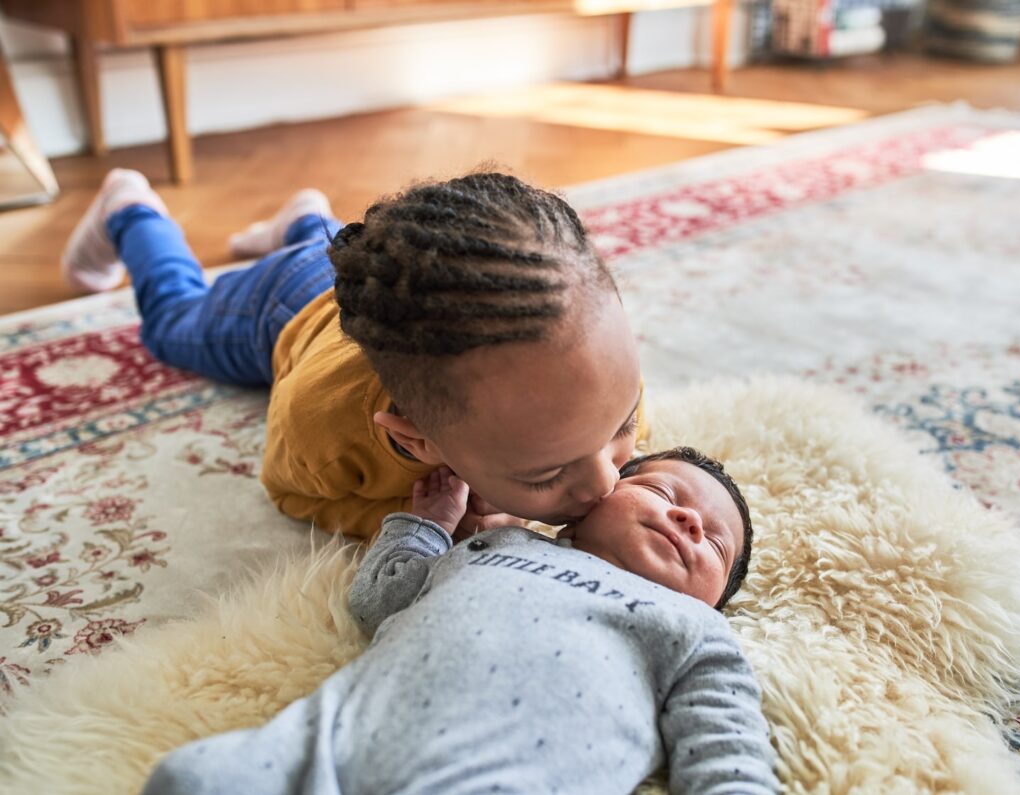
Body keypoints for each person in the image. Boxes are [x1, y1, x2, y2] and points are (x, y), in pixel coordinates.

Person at [141, 447, 779, 795]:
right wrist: (432, 525)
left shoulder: (695, 632)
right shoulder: (499, 546)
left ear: (713, 598)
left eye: (715, 544)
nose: (689, 522)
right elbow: (380, 602)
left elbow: (725, 748)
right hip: (331, 748)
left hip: (501, 776)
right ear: (581, 511)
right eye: (665, 494)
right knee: (190, 777)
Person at [62, 170, 648, 538]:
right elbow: (289, 491)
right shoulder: (322, 423)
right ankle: (131, 210)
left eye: (622, 423)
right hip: (281, 306)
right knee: (171, 323)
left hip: (385, 281)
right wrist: (411, 518)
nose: (606, 481)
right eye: (547, 472)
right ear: (417, 441)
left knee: (338, 248)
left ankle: (309, 222)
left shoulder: (586, 395)